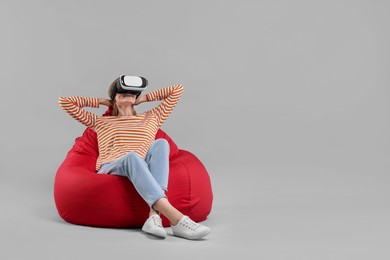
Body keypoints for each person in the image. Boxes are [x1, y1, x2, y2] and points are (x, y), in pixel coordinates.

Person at [58, 76, 210, 240]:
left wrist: (143, 99)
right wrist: (104, 101)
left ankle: (154, 216)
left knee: (161, 144)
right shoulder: (101, 122)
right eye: (122, 92)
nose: (127, 94)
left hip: (139, 166)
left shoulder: (151, 117)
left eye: (132, 93)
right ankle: (177, 219)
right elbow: (65, 102)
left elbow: (176, 90)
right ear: (114, 96)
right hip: (111, 166)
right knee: (132, 157)